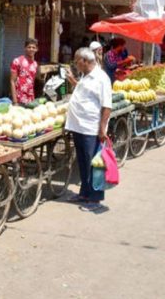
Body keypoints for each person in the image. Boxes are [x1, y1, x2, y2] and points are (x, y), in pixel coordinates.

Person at [64, 48, 112, 212]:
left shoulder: (101, 78)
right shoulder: (86, 76)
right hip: (79, 126)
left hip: (91, 128)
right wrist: (72, 81)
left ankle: (95, 199)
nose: (76, 64)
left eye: (77, 61)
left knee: (94, 164)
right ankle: (84, 193)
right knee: (83, 162)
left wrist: (102, 129)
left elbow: (107, 106)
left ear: (85, 61)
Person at [10, 38, 39, 105]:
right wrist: (15, 101)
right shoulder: (17, 61)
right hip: (19, 99)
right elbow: (12, 81)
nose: (31, 49)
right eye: (29, 47)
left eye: (33, 47)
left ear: (36, 49)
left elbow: (32, 82)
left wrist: (32, 99)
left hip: (30, 100)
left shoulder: (35, 64)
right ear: (25, 48)